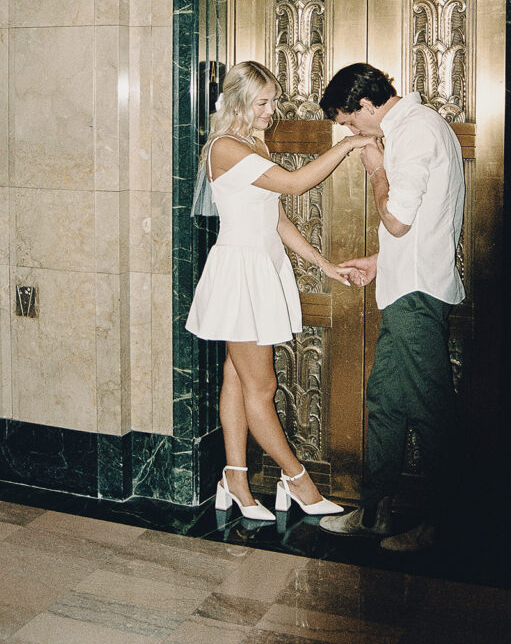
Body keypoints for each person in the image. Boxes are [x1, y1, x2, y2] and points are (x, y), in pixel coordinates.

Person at [186, 60, 375, 521]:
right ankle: (299, 481)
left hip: (258, 267)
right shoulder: (225, 147)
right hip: (240, 272)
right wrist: (350, 143)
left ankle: (235, 478)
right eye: (263, 102)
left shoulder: (252, 142)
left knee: (238, 377)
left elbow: (276, 217)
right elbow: (292, 185)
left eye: (273, 100)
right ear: (237, 102)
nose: (273, 109)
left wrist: (324, 265)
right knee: (262, 385)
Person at [318, 63, 465, 552]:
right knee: (385, 401)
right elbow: (419, 227)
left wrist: (376, 170)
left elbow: (400, 220)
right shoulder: (410, 129)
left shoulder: (417, 132)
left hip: (418, 297)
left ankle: (445, 524)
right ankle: (374, 512)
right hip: (406, 288)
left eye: (348, 120)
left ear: (365, 104)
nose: (350, 131)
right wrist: (382, 262)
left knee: (429, 409)